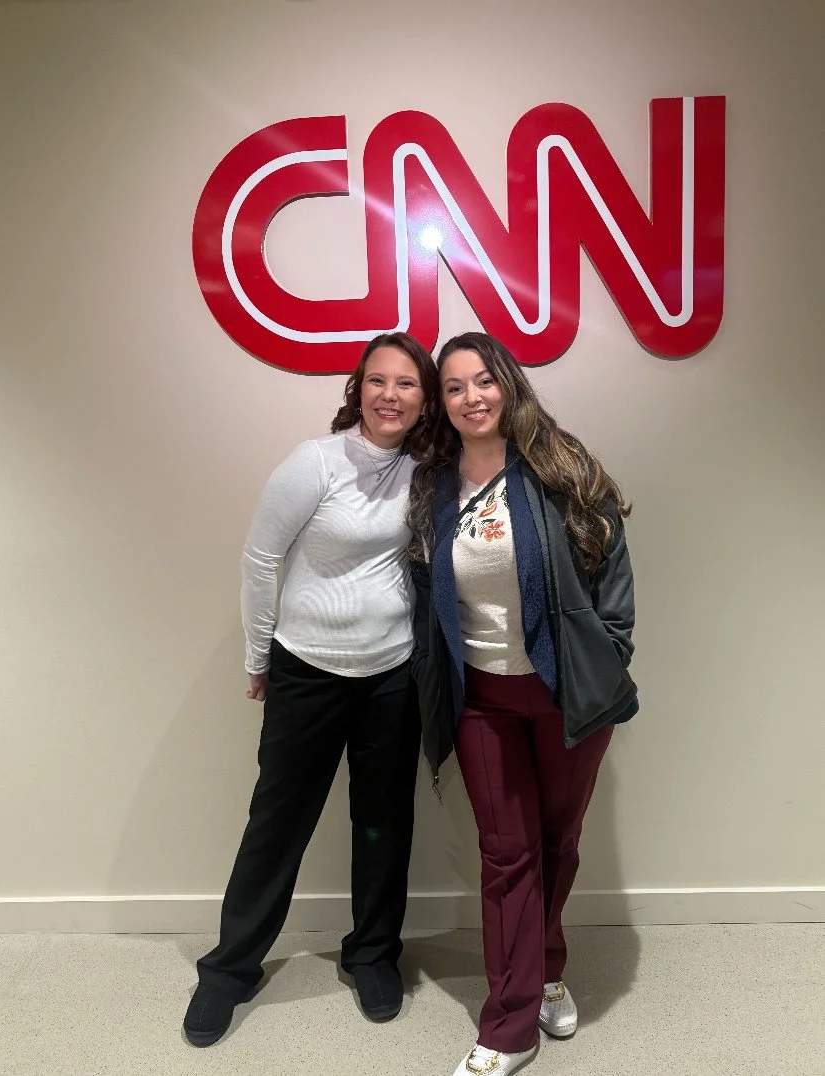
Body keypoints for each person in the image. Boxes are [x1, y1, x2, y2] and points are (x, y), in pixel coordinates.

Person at [183, 332, 439, 1047]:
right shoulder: (314, 464)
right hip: (308, 669)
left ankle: (372, 956)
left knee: (384, 823)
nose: (390, 395)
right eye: (378, 381)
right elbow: (261, 561)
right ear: (357, 389)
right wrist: (258, 656)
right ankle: (229, 970)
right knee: (278, 823)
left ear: (424, 400)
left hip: (391, 672)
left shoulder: (425, 469)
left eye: (407, 383)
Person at [407, 332, 638, 1076]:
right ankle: (508, 1026)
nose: (471, 397)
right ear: (441, 404)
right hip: (482, 699)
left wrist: (611, 651)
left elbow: (612, 570)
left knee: (556, 841)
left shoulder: (560, 467)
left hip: (565, 693)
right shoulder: (434, 483)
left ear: (506, 383)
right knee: (506, 856)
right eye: (453, 388)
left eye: (483, 381)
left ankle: (544, 971)